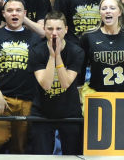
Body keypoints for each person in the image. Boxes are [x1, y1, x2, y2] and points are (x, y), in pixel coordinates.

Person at [0, 0, 40, 153]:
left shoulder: (35, 38)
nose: (14, 14)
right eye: (9, 10)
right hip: (0, 98)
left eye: (18, 10)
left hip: (26, 99)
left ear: (25, 13)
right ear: (3, 13)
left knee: (20, 148)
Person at [28, 11, 84, 155]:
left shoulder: (76, 51)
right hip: (42, 112)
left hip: (69, 111)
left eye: (58, 29)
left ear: (66, 29)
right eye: (50, 29)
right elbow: (46, 85)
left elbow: (65, 84)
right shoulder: (36, 51)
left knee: (72, 155)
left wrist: (57, 55)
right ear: (44, 29)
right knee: (41, 156)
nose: (54, 33)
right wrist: (52, 57)